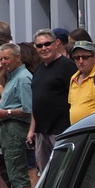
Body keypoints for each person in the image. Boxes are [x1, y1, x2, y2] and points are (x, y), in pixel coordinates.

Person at [0, 41, 34, 188]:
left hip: (16, 128)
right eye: (1, 58)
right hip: (8, 128)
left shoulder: (23, 78)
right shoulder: (12, 76)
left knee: (19, 175)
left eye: (7, 58)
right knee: (14, 174)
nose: (3, 62)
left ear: (18, 57)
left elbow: (28, 109)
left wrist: (6, 112)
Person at [25, 29, 74, 173]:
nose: (44, 48)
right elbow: (36, 101)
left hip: (60, 130)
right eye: (39, 46)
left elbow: (74, 97)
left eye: (47, 44)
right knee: (45, 174)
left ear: (56, 43)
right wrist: (32, 130)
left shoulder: (67, 66)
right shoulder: (39, 69)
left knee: (62, 172)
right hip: (41, 132)